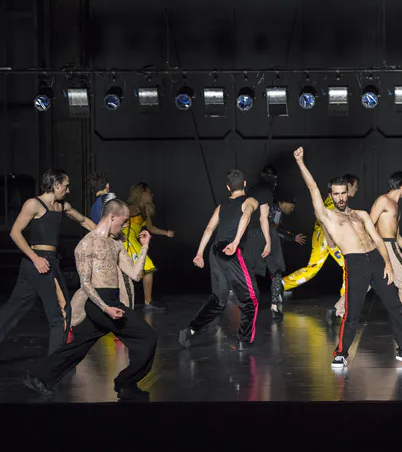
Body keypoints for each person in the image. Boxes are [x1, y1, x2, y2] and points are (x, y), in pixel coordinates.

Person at [293, 147, 402, 367]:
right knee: (352, 315)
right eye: (336, 194)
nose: (341, 197)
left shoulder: (360, 214)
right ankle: (341, 353)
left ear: (347, 192)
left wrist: (388, 263)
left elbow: (379, 240)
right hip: (356, 264)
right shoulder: (328, 216)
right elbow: (312, 187)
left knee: (395, 307)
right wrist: (301, 162)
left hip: (377, 260)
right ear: (331, 195)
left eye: (343, 192)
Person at [22, 199, 157, 401]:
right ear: (112, 216)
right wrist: (105, 308)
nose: (126, 225)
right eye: (124, 220)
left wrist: (145, 246)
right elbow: (85, 283)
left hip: (109, 303)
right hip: (98, 303)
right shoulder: (86, 245)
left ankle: (37, 375)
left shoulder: (116, 243)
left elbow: (135, 275)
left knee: (79, 347)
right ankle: (125, 384)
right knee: (147, 337)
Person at [0, 169, 95, 355]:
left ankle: (54, 361)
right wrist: (36, 259)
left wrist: (106, 233)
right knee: (61, 313)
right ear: (56, 185)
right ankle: (55, 364)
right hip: (38, 262)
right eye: (66, 186)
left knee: (13, 309)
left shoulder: (62, 206)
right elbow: (15, 232)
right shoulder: (33, 204)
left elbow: (84, 221)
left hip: (45, 261)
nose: (68, 191)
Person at [179, 170, 261, 348]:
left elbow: (209, 228)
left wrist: (199, 253)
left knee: (218, 299)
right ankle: (244, 341)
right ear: (244, 184)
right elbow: (246, 216)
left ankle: (190, 330)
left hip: (215, 250)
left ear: (228, 187)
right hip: (229, 250)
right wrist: (236, 242)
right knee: (251, 298)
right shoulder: (251, 201)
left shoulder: (221, 206)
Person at [330, 172, 402, 322]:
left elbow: (397, 236)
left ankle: (337, 310)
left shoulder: (396, 207)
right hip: (384, 245)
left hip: (389, 244)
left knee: (366, 282)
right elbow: (369, 223)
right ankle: (400, 318)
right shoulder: (384, 200)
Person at [282, 174, 360, 302]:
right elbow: (322, 217)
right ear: (348, 185)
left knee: (312, 268)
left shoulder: (335, 199)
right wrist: (330, 240)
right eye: (355, 186)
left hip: (320, 236)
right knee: (348, 265)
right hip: (327, 237)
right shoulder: (335, 201)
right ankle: (346, 299)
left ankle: (282, 284)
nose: (356, 189)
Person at [124, 183, 173, 312]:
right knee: (145, 266)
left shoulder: (144, 211)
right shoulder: (130, 208)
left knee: (142, 269)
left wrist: (166, 233)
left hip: (134, 241)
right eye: (149, 192)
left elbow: (151, 228)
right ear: (142, 193)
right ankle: (141, 302)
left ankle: (146, 301)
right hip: (126, 241)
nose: (152, 195)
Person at [243, 166, 280, 319]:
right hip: (266, 232)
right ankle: (274, 307)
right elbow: (266, 217)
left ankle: (250, 304)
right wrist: (268, 240)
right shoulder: (268, 192)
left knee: (248, 271)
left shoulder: (251, 190)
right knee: (276, 269)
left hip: (250, 233)